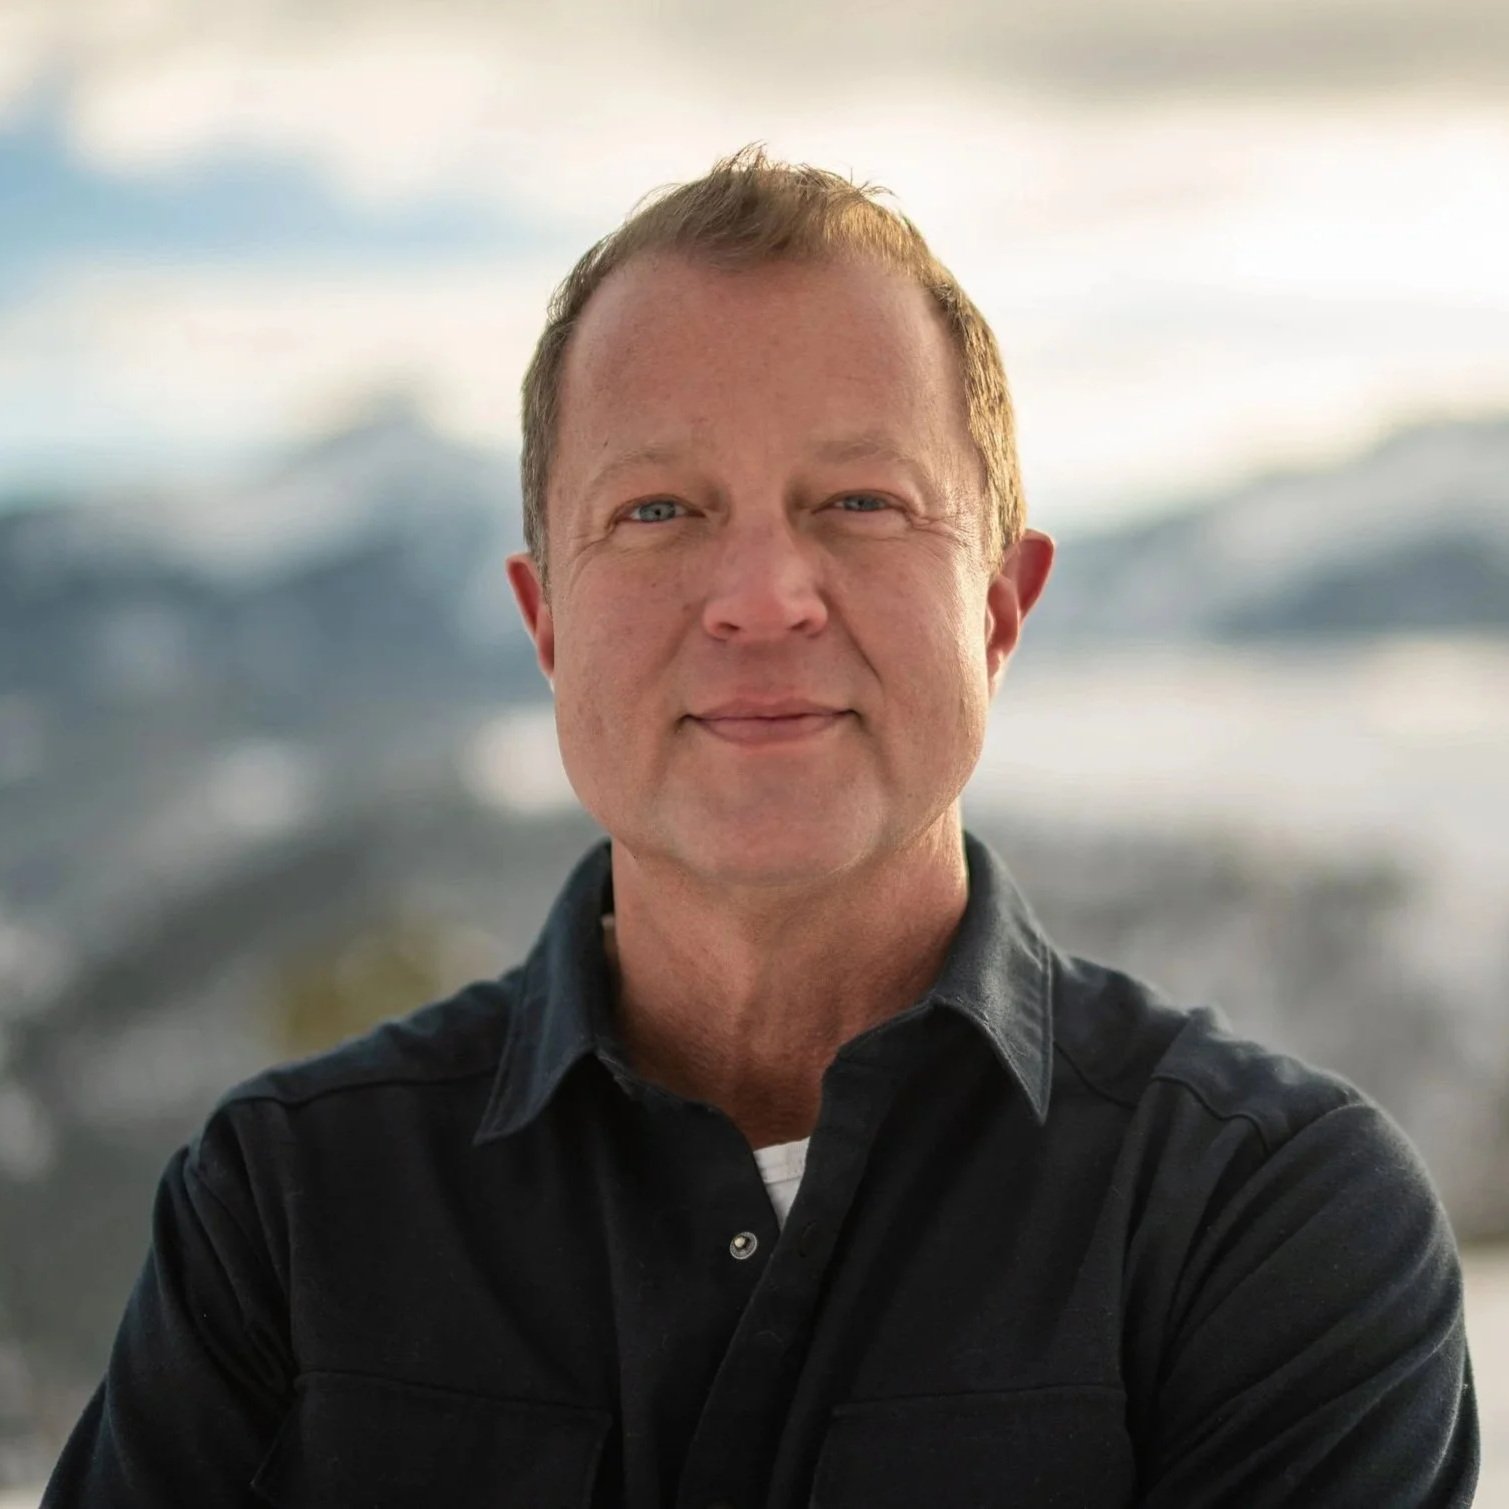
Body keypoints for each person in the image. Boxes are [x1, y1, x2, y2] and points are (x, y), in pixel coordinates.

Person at [43, 144, 1478, 1507]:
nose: (762, 594)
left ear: (997, 607)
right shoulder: (288, 1210)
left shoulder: (1264, 1218)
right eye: (658, 508)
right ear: (546, 623)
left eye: (859, 501)